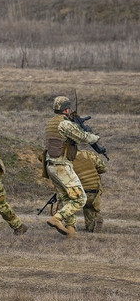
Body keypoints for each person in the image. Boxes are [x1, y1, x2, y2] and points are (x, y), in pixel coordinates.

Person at [42, 96, 101, 237]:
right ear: (67, 109)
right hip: (62, 166)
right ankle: (57, 218)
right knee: (80, 198)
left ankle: (71, 229)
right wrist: (95, 137)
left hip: (51, 165)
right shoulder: (65, 124)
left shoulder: (51, 123)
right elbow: (84, 138)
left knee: (67, 198)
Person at [55, 149, 107, 232]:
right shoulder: (89, 154)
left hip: (75, 191)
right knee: (90, 208)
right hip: (92, 190)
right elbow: (103, 168)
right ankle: (92, 226)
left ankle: (70, 226)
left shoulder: (63, 158)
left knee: (67, 207)